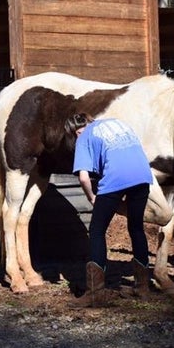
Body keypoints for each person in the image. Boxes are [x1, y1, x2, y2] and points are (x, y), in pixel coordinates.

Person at [65, 113, 154, 307]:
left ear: (77, 130)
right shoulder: (118, 123)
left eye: (76, 134)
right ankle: (142, 287)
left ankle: (95, 293)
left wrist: (92, 197)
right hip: (143, 176)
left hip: (115, 179)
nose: (78, 137)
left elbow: (83, 177)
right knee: (136, 228)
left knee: (97, 230)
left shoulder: (84, 136)